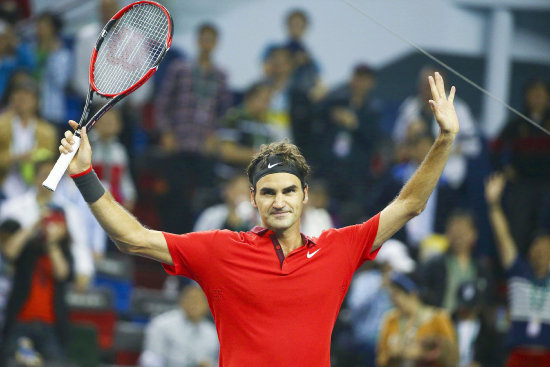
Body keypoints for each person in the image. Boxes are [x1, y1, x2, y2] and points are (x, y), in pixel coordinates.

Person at [59, 72, 459, 366]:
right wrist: (83, 173)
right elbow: (132, 238)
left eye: (288, 191)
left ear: (305, 196)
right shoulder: (220, 249)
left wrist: (443, 140)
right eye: (268, 192)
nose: (279, 201)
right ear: (254, 199)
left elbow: (410, 204)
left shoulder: (339, 248)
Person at [485, 173, 550, 367]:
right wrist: (494, 204)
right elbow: (503, 237)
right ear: (529, 251)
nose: (540, 251)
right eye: (536, 247)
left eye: (545, 248)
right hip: (518, 355)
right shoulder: (518, 271)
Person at [0, 196, 73, 364]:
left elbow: (62, 273)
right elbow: (9, 252)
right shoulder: (29, 247)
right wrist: (35, 223)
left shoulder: (65, 252)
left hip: (51, 327)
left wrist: (52, 244)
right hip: (20, 322)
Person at [376, 273, 458, 367]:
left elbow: (453, 359)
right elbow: (380, 360)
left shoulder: (438, 319)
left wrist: (422, 353)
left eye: (396, 294)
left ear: (413, 294)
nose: (392, 300)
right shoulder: (391, 320)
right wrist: (392, 353)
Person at [421, 209, 493, 314]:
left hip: (472, 324)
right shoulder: (434, 265)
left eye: (463, 231)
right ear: (447, 233)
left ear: (474, 234)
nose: (458, 236)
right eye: (454, 230)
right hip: (441, 322)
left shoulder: (482, 269)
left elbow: (488, 302)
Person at [139, 284, 219, 367]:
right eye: (191, 299)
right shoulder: (161, 324)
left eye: (200, 301)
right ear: (182, 301)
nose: (195, 304)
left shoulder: (212, 332)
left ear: (208, 305)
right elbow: (151, 359)